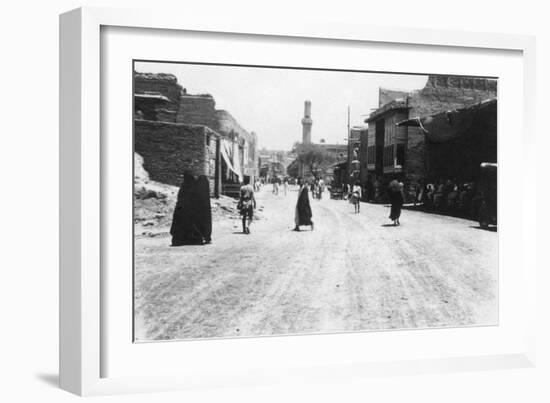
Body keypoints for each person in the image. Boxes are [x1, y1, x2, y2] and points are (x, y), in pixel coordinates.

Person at [170, 173, 212, 245]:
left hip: (181, 210)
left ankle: (182, 238)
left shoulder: (186, 187)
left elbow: (181, 198)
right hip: (197, 210)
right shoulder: (196, 189)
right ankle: (203, 236)